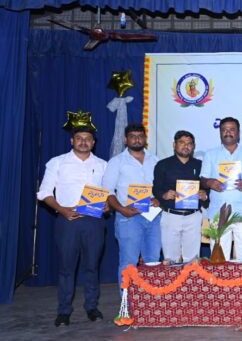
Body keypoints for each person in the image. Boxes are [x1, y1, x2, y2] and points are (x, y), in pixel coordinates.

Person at [37, 126, 108, 327]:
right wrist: (62, 210)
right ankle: (64, 311)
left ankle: (92, 307)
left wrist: (108, 206)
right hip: (67, 221)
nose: (83, 142)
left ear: (93, 142)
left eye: (87, 138)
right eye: (79, 138)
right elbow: (44, 193)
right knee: (67, 268)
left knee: (92, 267)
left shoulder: (103, 165)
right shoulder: (57, 162)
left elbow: (109, 193)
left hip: (94, 222)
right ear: (72, 141)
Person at [102, 124, 161, 289]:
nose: (137, 139)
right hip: (128, 217)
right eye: (133, 136)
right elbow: (107, 191)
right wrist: (121, 209)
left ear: (145, 138)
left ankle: (149, 301)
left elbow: (161, 187)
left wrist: (159, 199)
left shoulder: (155, 160)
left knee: (153, 261)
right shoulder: (116, 162)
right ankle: (126, 303)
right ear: (125, 139)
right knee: (128, 262)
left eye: (140, 136)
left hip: (154, 217)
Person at [201, 117, 242, 262]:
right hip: (218, 212)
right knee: (219, 260)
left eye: (232, 129)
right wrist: (209, 182)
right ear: (220, 133)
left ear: (238, 133)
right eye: (224, 130)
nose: (228, 132)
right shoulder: (210, 155)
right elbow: (202, 181)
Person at [153, 130, 208, 263]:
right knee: (170, 259)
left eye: (189, 143)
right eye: (182, 142)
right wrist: (164, 195)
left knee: (193, 260)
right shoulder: (163, 165)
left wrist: (204, 195)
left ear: (193, 147)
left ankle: (192, 277)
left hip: (193, 216)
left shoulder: (200, 165)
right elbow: (156, 188)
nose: (186, 146)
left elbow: (207, 187)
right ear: (174, 144)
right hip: (171, 216)